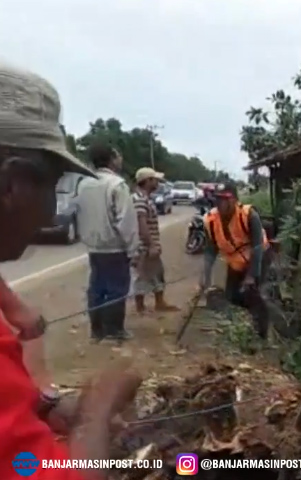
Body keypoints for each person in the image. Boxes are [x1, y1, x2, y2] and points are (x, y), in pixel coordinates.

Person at [0, 61, 141, 480]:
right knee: (111, 289)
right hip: (113, 249)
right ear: (10, 185)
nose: (50, 213)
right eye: (53, 186)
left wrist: (41, 406)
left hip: (98, 248)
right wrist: (96, 412)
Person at [69, 144, 139, 342]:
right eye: (118, 156)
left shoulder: (83, 184)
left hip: (93, 247)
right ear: (111, 159)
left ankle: (97, 330)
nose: (120, 160)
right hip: (115, 247)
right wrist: (133, 250)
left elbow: (77, 213)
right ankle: (114, 330)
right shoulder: (117, 184)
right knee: (117, 290)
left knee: (97, 288)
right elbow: (125, 221)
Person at [199, 182, 272, 339]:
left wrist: (251, 275)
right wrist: (206, 276)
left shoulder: (249, 215)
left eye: (225, 199)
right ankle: (249, 319)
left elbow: (257, 246)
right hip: (236, 262)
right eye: (218, 199)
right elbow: (210, 251)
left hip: (258, 258)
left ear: (235, 200)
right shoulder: (211, 220)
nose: (221, 203)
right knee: (231, 296)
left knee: (253, 293)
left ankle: (263, 333)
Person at [131, 167, 180, 314]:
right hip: (143, 246)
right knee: (142, 276)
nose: (158, 183)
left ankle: (159, 302)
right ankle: (140, 307)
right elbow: (141, 224)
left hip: (148, 244)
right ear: (147, 181)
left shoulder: (145, 198)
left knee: (157, 273)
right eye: (155, 180)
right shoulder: (139, 199)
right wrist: (151, 245)